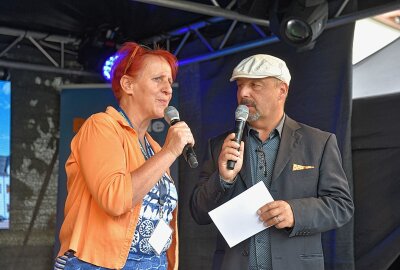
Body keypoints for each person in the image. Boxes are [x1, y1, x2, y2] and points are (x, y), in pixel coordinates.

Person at [190, 54, 354, 270]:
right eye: (240, 86)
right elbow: (198, 212)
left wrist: (295, 212)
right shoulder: (220, 146)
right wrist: (222, 179)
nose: (243, 93)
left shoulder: (319, 142)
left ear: (282, 91)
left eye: (254, 85)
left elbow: (341, 205)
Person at [54, 42, 194, 270]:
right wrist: (170, 152)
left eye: (169, 81)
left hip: (154, 262)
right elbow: (116, 199)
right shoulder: (101, 126)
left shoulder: (154, 148)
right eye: (158, 79)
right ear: (128, 84)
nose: (168, 89)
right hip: (100, 263)